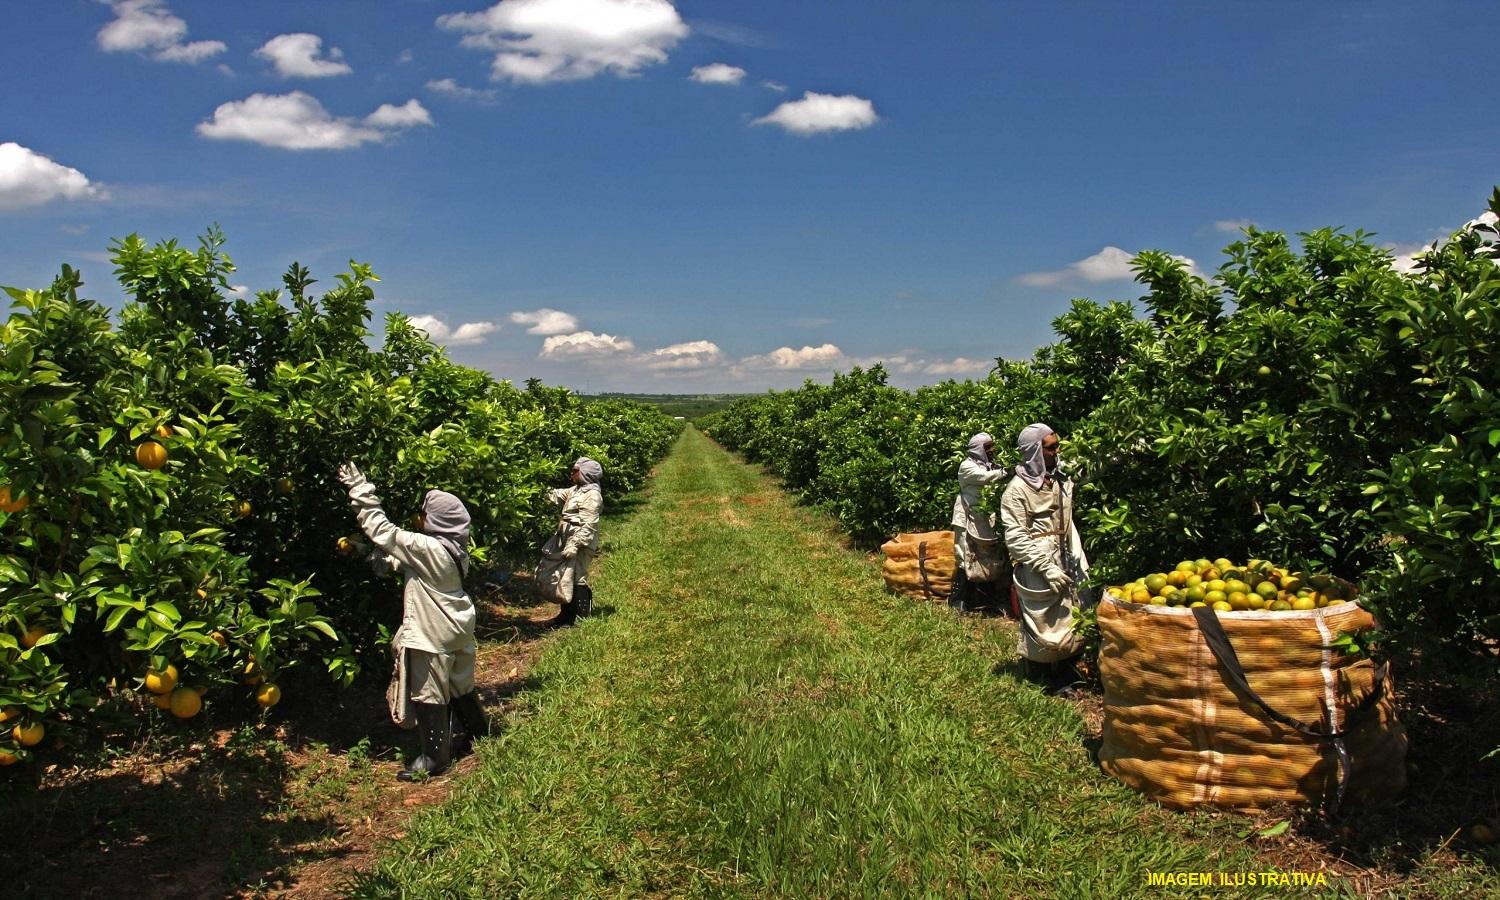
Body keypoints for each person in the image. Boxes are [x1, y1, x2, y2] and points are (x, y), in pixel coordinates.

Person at [338, 462, 488, 780]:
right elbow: (396, 559)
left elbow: (384, 532)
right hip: (456, 626)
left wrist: (359, 489)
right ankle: (479, 733)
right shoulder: (451, 548)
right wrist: (363, 552)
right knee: (459, 685)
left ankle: (435, 758)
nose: (419, 517)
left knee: (429, 691)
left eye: (423, 512)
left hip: (433, 633)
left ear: (434, 519)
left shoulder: (427, 546)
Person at [999, 424, 1089, 697]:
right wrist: (1045, 566)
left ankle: (1067, 670)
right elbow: (1015, 536)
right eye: (1051, 447)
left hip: (1067, 552)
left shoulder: (1060, 478)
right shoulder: (1016, 491)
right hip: (1040, 559)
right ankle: (1042, 675)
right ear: (1035, 452)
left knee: (1073, 611)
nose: (1057, 451)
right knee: (1045, 620)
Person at [538, 457, 603, 627]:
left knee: (577, 576)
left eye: (575, 470)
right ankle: (566, 616)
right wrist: (536, 490)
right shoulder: (576, 490)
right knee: (565, 577)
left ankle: (581, 617)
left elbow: (589, 524)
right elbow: (556, 495)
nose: (572, 473)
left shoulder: (592, 495)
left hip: (581, 540)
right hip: (566, 537)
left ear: (586, 473)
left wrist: (575, 543)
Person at [949, 432, 1010, 613]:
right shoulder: (967, 466)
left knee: (988, 556)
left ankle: (984, 598)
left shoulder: (993, 465)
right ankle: (958, 601)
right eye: (988, 447)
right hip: (967, 516)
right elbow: (985, 478)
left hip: (984, 517)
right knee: (964, 555)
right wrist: (1010, 470)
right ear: (978, 449)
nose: (992, 450)